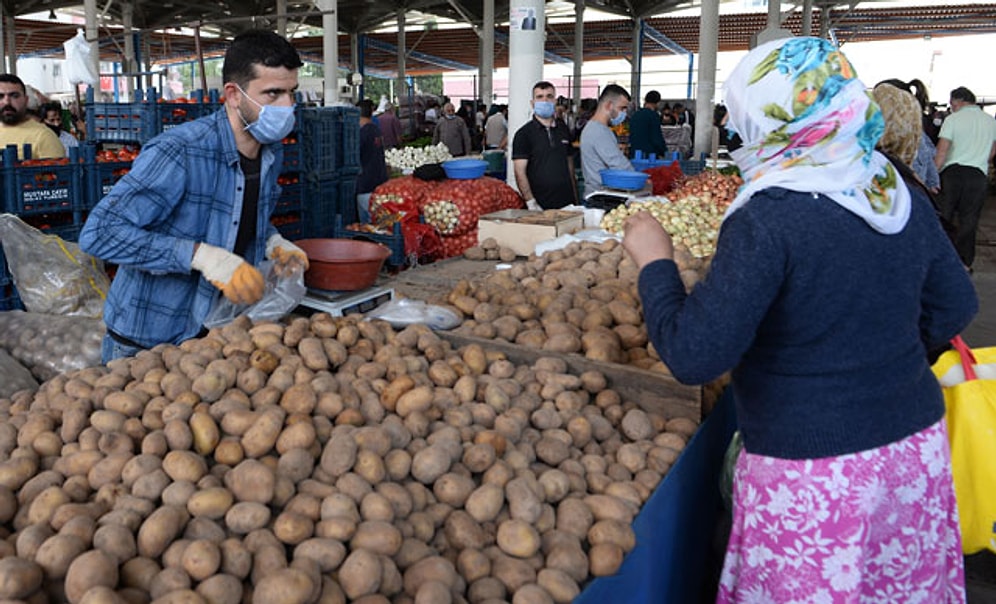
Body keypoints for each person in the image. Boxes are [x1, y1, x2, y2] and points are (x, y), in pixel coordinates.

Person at [622, 37, 975, 601]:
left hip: (815, 474)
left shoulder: (771, 215)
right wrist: (878, 361)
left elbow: (696, 355)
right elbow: (954, 306)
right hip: (913, 452)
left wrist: (655, 262)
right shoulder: (887, 186)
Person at [79, 30, 309, 362]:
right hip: (147, 340)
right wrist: (201, 256)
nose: (287, 107)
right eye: (273, 94)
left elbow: (240, 213)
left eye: (291, 93)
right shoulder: (180, 152)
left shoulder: (270, 154)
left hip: (212, 333)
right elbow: (99, 234)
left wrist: (273, 241)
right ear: (233, 94)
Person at [934, 86, 996, 270]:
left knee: (944, 217)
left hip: (952, 174)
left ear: (958, 101)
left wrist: (932, 176)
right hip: (977, 175)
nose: (951, 107)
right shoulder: (990, 121)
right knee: (969, 220)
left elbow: (942, 151)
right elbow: (993, 150)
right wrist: (980, 160)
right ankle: (964, 262)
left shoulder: (953, 119)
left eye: (952, 104)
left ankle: (941, 259)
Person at [511, 81, 578, 209]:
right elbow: (519, 172)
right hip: (540, 204)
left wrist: (575, 198)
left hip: (566, 203)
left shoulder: (563, 129)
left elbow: (569, 164)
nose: (545, 100)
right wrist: (530, 201)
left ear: (555, 101)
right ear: (532, 103)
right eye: (540, 97)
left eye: (549, 96)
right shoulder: (524, 134)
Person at [579, 84, 634, 193]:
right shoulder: (598, 131)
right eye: (622, 108)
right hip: (601, 196)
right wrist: (639, 179)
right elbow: (619, 165)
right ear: (609, 105)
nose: (624, 113)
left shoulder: (600, 129)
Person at [0, 74, 65, 159]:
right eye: (0, 96)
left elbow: (57, 171)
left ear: (26, 100)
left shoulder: (44, 136)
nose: (7, 102)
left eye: (14, 96)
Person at [356, 98, 388, 224]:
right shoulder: (376, 130)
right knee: (379, 221)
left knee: (368, 224)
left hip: (366, 184)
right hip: (379, 182)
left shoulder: (362, 133)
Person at [627, 90, 668, 159]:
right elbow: (656, 137)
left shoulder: (635, 115)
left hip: (634, 154)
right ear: (657, 103)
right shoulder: (653, 116)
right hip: (649, 156)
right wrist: (664, 151)